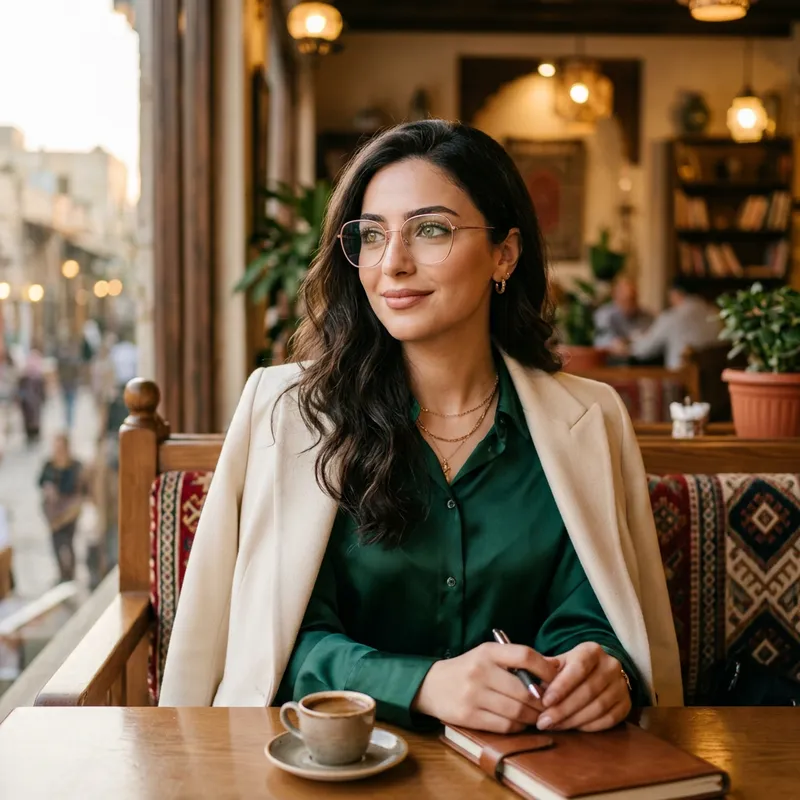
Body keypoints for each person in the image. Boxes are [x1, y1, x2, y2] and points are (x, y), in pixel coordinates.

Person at [160, 120, 682, 733]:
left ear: (504, 254)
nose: (393, 264)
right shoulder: (288, 412)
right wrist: (424, 684)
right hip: (332, 761)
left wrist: (602, 671)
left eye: (431, 229)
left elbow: (596, 611)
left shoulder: (591, 419)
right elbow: (274, 642)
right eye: (372, 235)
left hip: (535, 760)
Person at [627, 277, 723, 369]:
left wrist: (629, 344)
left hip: (680, 378)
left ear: (676, 293)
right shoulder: (717, 314)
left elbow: (644, 350)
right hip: (714, 377)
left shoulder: (672, 317)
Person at [39, 433, 87, 583]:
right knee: (56, 543)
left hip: (69, 511)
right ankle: (62, 573)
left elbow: (81, 489)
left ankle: (70, 574)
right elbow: (41, 483)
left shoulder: (75, 466)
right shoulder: (49, 465)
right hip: (54, 511)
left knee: (68, 542)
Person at [593, 275, 653, 352]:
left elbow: (651, 338)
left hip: (641, 355)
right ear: (616, 299)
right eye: (626, 300)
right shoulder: (604, 315)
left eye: (633, 299)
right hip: (613, 357)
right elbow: (601, 340)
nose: (630, 304)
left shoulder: (646, 315)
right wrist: (614, 344)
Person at [17, 349, 46, 446]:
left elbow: (42, 390)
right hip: (28, 402)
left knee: (34, 418)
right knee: (30, 419)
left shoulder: (38, 378)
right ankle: (31, 435)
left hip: (33, 402)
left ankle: (34, 435)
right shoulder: (25, 377)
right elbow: (20, 389)